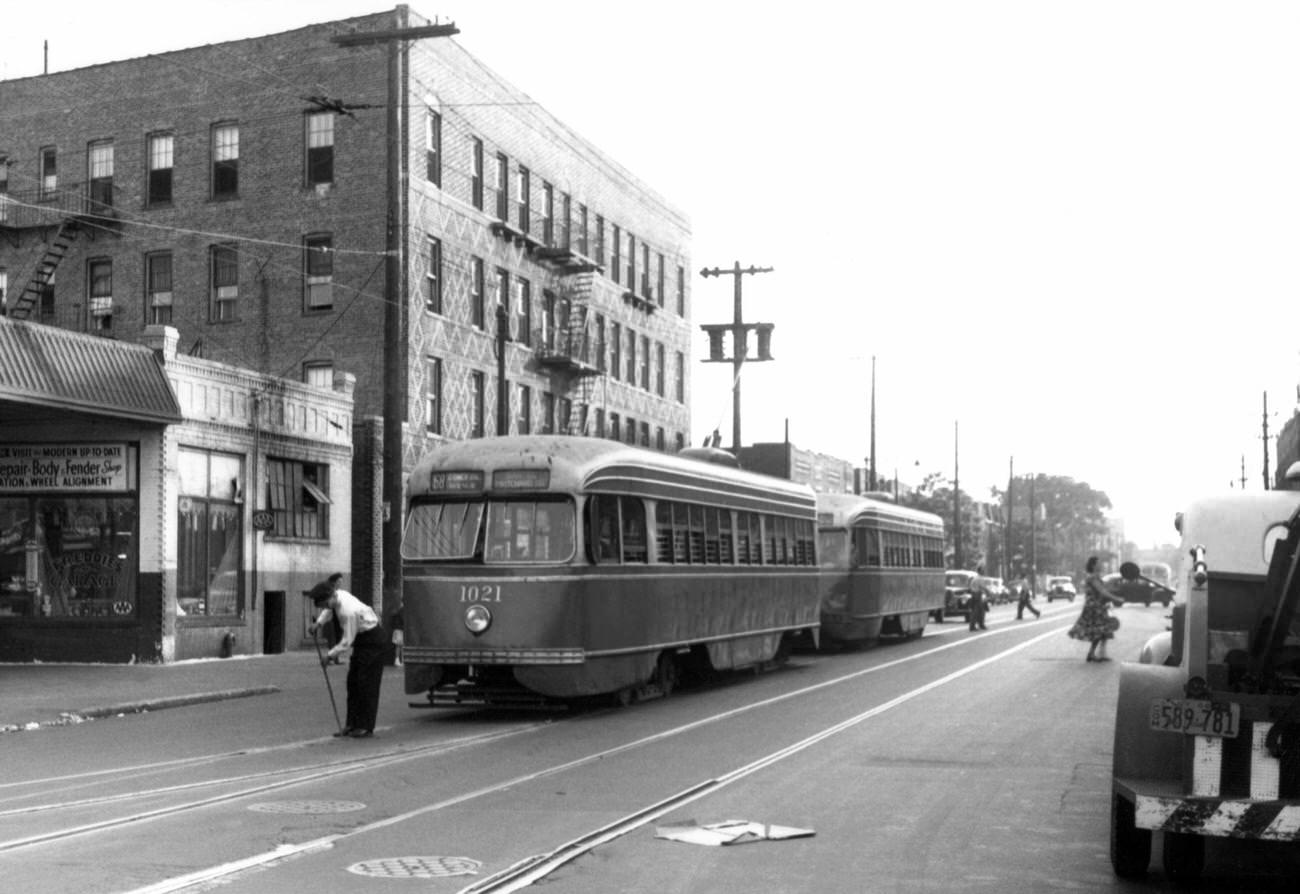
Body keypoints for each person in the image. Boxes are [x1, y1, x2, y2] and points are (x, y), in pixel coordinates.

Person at [309, 575, 386, 738]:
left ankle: (365, 726)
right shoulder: (337, 596)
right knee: (353, 683)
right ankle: (351, 724)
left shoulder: (348, 611)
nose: (324, 607)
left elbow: (346, 642)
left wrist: (329, 656)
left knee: (366, 684)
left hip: (372, 640)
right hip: (361, 640)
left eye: (324, 603)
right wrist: (319, 623)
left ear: (330, 597)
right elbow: (328, 611)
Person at [1068, 556, 1124, 661]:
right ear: (1093, 565)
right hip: (1094, 607)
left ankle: (1098, 653)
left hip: (1098, 606)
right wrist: (1116, 598)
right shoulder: (1092, 578)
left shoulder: (1096, 577)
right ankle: (1094, 654)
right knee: (1100, 630)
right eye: (1098, 563)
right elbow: (1102, 591)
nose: (1101, 564)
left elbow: (1103, 591)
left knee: (1103, 630)